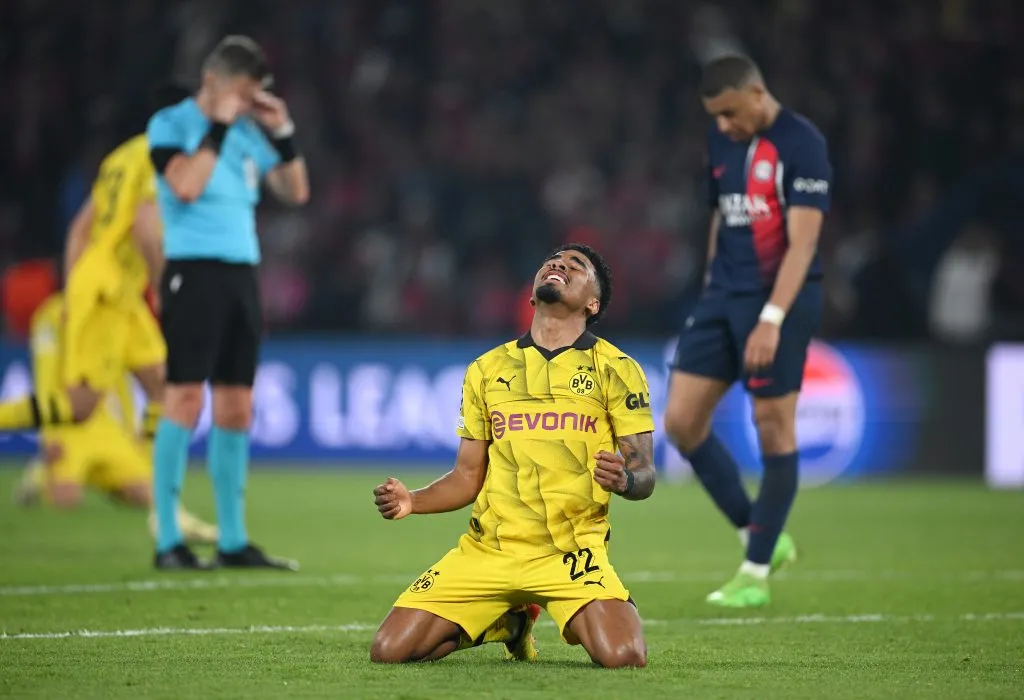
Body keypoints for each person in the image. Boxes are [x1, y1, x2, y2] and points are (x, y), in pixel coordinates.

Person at [371, 244, 655, 668]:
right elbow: (467, 477)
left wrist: (626, 481)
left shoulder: (617, 368)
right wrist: (414, 500)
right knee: (389, 651)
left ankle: (573, 616)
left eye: (576, 266)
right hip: (490, 552)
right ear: (531, 293)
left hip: (571, 554)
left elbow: (645, 473)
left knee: (623, 656)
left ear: (593, 303)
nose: (559, 265)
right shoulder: (486, 369)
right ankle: (509, 623)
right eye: (553, 261)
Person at [663, 55, 833, 608]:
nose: (724, 125)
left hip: (779, 298)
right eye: (715, 116)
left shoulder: (801, 143)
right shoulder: (721, 142)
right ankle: (759, 535)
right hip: (723, 297)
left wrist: (772, 319)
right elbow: (722, 216)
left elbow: (803, 243)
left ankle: (754, 573)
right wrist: (714, 283)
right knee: (682, 422)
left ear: (758, 93)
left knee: (773, 424)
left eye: (731, 113)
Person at [146, 35, 309, 570]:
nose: (246, 104)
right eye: (242, 93)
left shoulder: (246, 132)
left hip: (242, 276)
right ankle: (168, 539)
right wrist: (217, 122)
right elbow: (187, 187)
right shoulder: (171, 125)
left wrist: (281, 130)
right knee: (186, 400)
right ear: (214, 82)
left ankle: (232, 540)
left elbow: (295, 190)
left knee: (237, 405)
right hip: (192, 273)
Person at [0, 120, 168, 509]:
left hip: (119, 296)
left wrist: (76, 289)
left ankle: (160, 487)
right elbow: (145, 229)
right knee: (80, 406)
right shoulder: (161, 162)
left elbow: (79, 231)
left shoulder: (121, 161)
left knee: (164, 385)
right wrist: (163, 288)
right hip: (107, 294)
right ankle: (159, 491)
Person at [12, 292, 217, 545]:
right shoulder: (52, 315)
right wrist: (49, 435)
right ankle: (41, 471)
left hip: (110, 429)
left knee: (146, 496)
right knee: (65, 501)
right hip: (70, 429)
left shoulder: (125, 310)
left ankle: (110, 482)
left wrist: (138, 433)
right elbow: (46, 376)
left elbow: (149, 380)